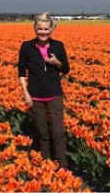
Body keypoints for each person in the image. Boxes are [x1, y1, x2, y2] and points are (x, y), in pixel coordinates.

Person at [18, 12, 70, 169]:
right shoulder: (27, 47)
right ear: (35, 28)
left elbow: (66, 69)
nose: (43, 32)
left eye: (46, 29)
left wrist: (56, 62)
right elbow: (21, 71)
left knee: (58, 131)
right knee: (42, 131)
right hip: (35, 95)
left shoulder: (58, 46)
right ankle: (46, 163)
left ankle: (62, 165)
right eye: (40, 29)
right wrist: (26, 93)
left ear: (51, 29)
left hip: (54, 94)